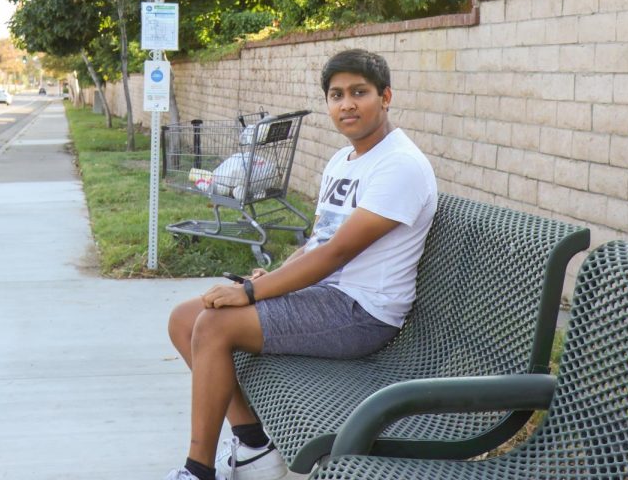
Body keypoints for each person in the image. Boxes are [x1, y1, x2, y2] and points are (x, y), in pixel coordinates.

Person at [165, 48, 439, 480]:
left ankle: (196, 471)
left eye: (359, 92)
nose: (346, 104)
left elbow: (336, 254)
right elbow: (318, 242)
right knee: (185, 318)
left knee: (215, 325)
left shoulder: (399, 166)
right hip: (329, 297)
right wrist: (269, 277)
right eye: (336, 95)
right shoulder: (341, 160)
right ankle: (255, 446)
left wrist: (252, 292)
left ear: (385, 97)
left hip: (362, 312)